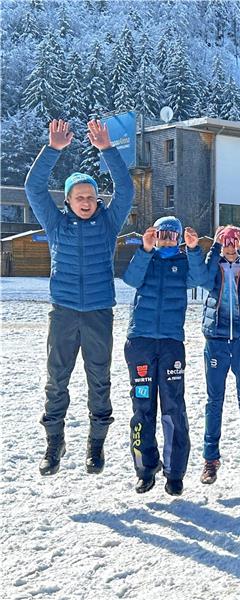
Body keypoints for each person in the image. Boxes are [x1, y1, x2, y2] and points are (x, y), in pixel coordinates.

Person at [25, 119, 134, 476]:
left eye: (90, 197)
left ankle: (95, 443)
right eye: (79, 197)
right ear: (69, 200)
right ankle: (53, 443)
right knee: (57, 378)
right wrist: (53, 149)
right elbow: (34, 187)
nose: (86, 202)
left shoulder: (108, 223)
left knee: (99, 379)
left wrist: (107, 149)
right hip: (64, 313)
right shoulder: (55, 225)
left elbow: (126, 189)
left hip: (99, 313)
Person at [122, 217, 206, 495]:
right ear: (154, 235)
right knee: (142, 407)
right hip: (141, 342)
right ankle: (145, 469)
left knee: (173, 407)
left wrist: (194, 251)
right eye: (162, 234)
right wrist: (144, 250)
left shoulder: (183, 262)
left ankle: (174, 472)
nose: (167, 238)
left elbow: (201, 279)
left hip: (171, 344)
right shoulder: (147, 257)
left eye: (173, 234)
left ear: (179, 237)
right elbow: (130, 278)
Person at [199, 225, 240, 484]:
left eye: (233, 243)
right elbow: (202, 280)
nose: (229, 248)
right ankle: (210, 459)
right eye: (225, 243)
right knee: (214, 401)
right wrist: (213, 248)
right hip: (216, 340)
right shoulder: (213, 267)